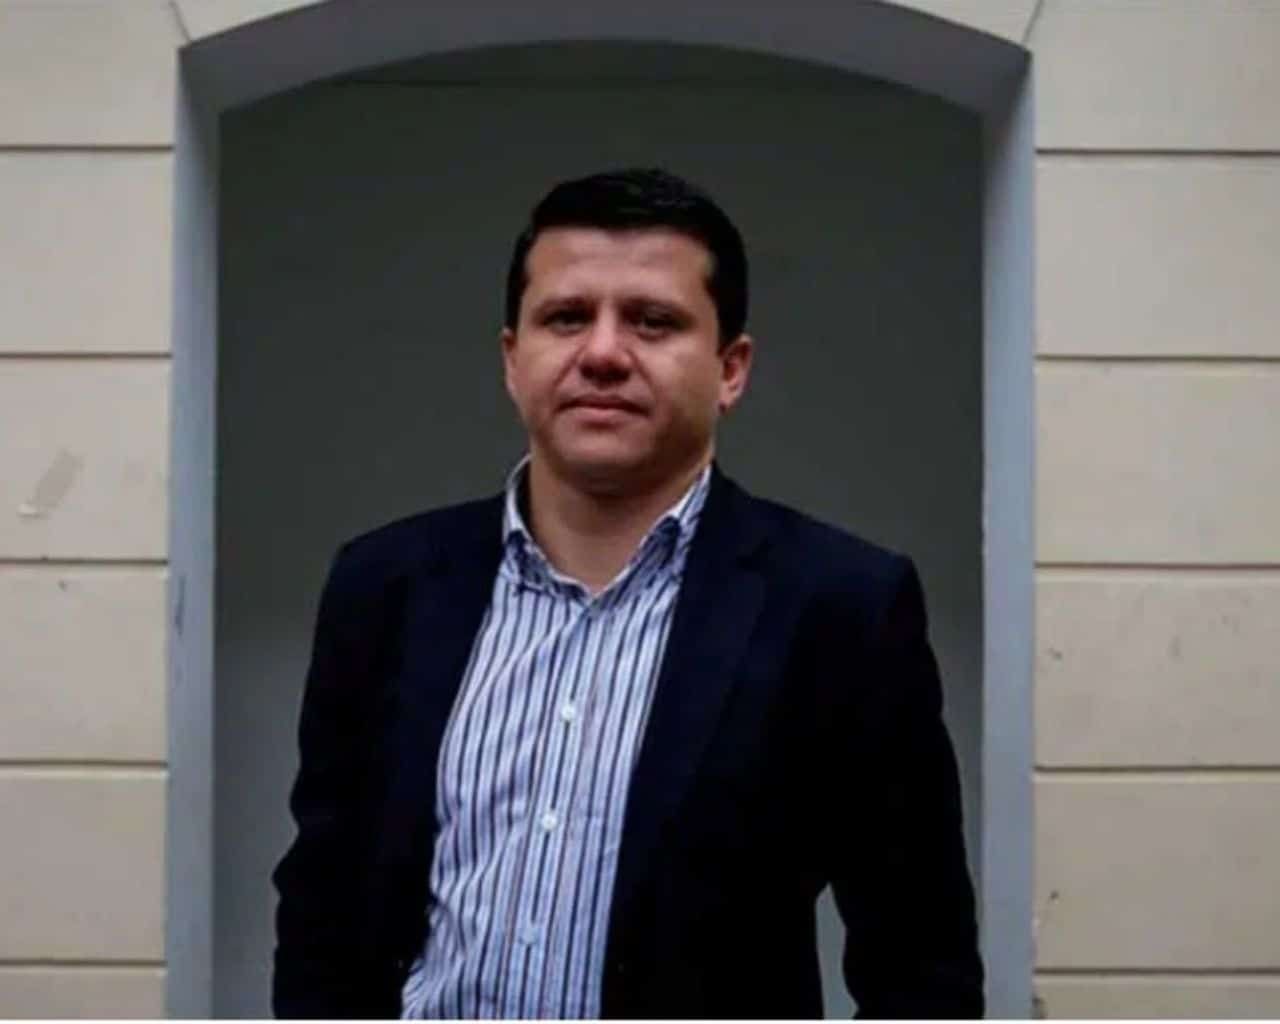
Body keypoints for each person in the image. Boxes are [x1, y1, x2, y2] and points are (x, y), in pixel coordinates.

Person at [271, 167, 983, 1019]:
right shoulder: (384, 587)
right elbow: (322, 909)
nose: (604, 353)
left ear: (731, 368)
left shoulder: (842, 609)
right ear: (512, 360)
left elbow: (922, 968)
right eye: (567, 317)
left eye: (653, 321)